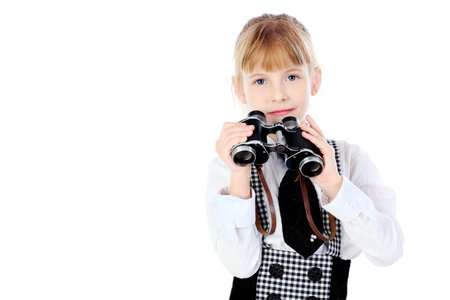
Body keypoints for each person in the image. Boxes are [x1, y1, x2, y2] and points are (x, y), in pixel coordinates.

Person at [206, 13, 403, 300]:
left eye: (291, 76)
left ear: (315, 79)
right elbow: (241, 266)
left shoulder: (349, 159)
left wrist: (334, 185)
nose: (278, 95)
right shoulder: (228, 168)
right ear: (239, 88)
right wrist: (240, 174)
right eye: (260, 80)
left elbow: (388, 252)